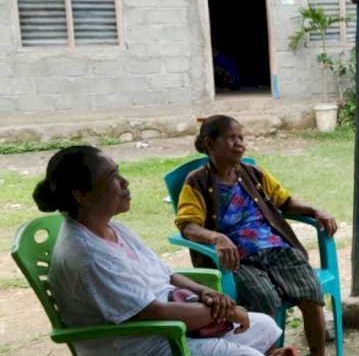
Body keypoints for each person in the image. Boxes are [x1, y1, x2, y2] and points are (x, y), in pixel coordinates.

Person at [33, 145, 292, 356]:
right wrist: (224, 310)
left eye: (119, 172)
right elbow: (154, 313)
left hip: (171, 321)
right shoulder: (88, 255)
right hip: (142, 343)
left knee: (266, 327)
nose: (124, 182)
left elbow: (167, 275)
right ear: (82, 195)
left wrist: (208, 293)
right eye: (112, 177)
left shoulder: (115, 229)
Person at [175, 114, 338, 356]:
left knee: (310, 293)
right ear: (210, 144)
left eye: (241, 137)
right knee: (264, 299)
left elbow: (286, 201)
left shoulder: (254, 173)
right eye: (231, 138)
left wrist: (315, 211)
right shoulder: (196, 182)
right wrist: (217, 238)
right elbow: (188, 225)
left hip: (275, 247)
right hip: (238, 259)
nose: (239, 143)